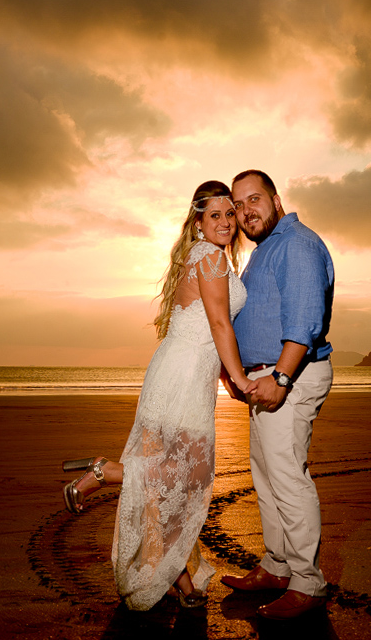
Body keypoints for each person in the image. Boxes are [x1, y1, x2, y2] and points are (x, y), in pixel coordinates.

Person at [59, 181, 252, 611]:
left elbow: (206, 327)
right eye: (214, 215)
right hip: (182, 376)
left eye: (229, 214)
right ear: (198, 222)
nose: (224, 222)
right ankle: (106, 471)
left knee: (177, 483)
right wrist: (238, 380)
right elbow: (220, 326)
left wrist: (221, 377)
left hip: (180, 372)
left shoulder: (204, 257)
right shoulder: (210, 257)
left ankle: (179, 580)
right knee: (187, 478)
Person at [220, 169, 335, 620]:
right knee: (267, 475)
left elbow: (304, 319)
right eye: (239, 205)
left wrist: (281, 379)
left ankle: (307, 582)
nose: (246, 212)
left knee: (287, 477)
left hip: (291, 377)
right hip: (265, 378)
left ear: (275, 198)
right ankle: (277, 565)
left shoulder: (297, 244)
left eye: (254, 200)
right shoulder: (268, 249)